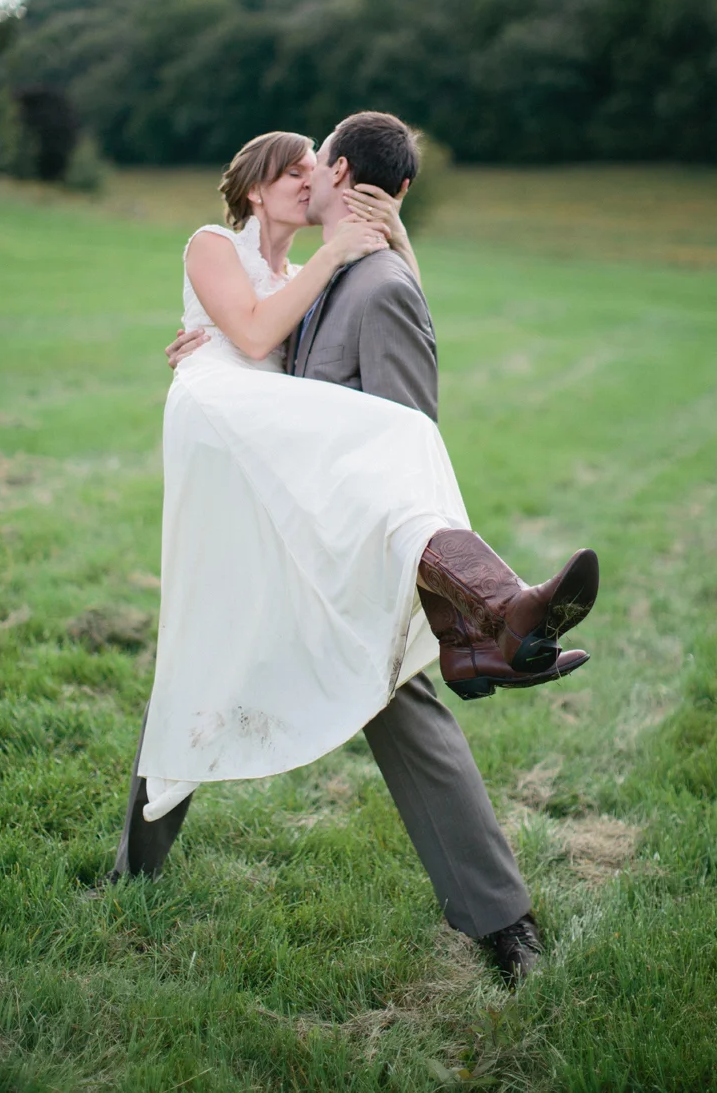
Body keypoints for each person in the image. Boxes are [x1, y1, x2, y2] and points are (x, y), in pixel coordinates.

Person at [110, 112, 598, 982]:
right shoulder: (296, 271)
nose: (306, 181)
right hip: (263, 516)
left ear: (341, 176)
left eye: (314, 170)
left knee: (398, 706)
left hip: (343, 543)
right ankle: (131, 880)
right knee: (196, 657)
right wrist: (211, 350)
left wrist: (387, 248)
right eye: (293, 171)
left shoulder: (374, 286)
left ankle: (504, 922)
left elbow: (408, 432)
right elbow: (255, 336)